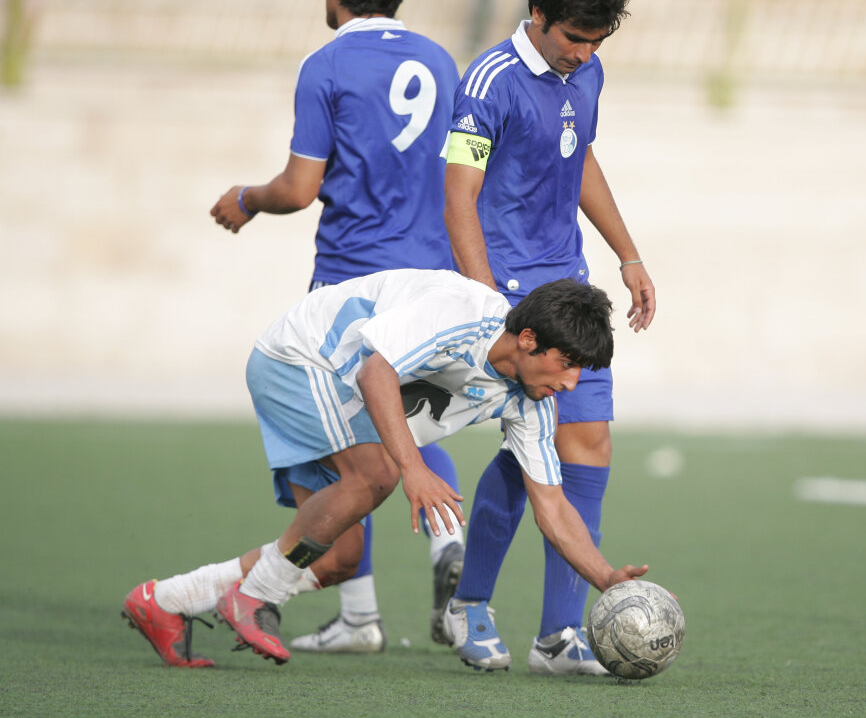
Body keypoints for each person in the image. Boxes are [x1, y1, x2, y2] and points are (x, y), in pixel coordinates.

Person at [120, 270, 649, 668]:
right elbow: (376, 373)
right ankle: (255, 596)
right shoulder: (462, 314)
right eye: (567, 364)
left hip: (344, 400)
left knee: (338, 558)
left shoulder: (532, 402)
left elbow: (551, 507)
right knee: (376, 476)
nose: (571, 383)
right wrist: (412, 468)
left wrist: (605, 578)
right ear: (529, 339)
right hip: (301, 361)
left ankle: (165, 600)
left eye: (581, 371)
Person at [208, 0, 464, 654]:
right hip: (430, 273)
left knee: (346, 441)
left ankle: (359, 613)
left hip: (351, 277)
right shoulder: (441, 61)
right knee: (408, 423)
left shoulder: (325, 66)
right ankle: (439, 549)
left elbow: (298, 188)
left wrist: (247, 199)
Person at [440, 0, 656, 675]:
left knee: (586, 442)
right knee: (526, 451)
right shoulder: (488, 82)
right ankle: (469, 604)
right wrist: (487, 306)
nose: (584, 53)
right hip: (507, 297)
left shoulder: (587, 70)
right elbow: (459, 197)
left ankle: (559, 636)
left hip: (570, 287)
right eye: (574, 38)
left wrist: (628, 254)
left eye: (597, 41)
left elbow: (580, 155)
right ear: (537, 13)